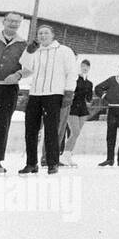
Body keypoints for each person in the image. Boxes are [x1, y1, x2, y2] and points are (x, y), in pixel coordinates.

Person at [17, 23, 77, 175]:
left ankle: (52, 163)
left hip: (54, 94)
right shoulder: (35, 51)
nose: (43, 36)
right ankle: (31, 163)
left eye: (46, 33)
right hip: (36, 94)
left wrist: (69, 92)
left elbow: (71, 72)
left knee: (51, 130)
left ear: (53, 35)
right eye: (40, 33)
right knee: (30, 129)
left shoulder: (64, 51)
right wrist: (29, 51)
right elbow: (27, 67)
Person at [0, 11, 27, 173]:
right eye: (11, 21)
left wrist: (18, 74)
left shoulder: (23, 44)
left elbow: (29, 67)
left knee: (3, 126)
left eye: (17, 22)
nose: (13, 24)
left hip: (9, 90)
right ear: (4, 21)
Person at [59, 59, 94, 167]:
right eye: (83, 66)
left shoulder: (89, 83)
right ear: (80, 67)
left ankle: (68, 155)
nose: (85, 68)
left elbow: (89, 98)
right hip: (73, 107)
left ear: (89, 68)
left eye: (87, 66)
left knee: (76, 134)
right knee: (75, 132)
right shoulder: (74, 79)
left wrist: (90, 94)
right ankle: (65, 154)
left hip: (83, 109)